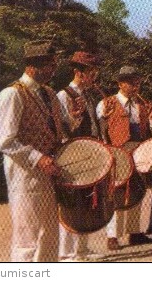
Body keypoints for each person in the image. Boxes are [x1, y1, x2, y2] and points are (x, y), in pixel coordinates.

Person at [0, 40, 67, 262]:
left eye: (54, 64)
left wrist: (76, 117)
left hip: (50, 172)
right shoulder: (11, 94)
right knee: (28, 237)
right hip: (25, 175)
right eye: (49, 65)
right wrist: (37, 157)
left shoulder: (50, 93)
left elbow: (58, 128)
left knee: (50, 235)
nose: (54, 69)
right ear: (32, 65)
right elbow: (2, 139)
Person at [99, 65, 152, 248]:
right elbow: (100, 130)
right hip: (117, 152)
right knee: (116, 192)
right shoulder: (107, 103)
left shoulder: (141, 105)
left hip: (137, 151)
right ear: (120, 84)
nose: (136, 85)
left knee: (137, 190)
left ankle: (134, 232)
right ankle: (112, 236)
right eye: (131, 82)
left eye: (137, 81)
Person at [56, 50, 106, 261]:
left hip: (89, 151)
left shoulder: (87, 95)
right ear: (79, 72)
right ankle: (67, 252)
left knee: (87, 200)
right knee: (71, 201)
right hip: (73, 155)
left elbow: (92, 125)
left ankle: (82, 249)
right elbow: (63, 130)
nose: (94, 76)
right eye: (91, 72)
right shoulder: (63, 95)